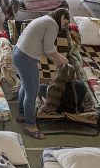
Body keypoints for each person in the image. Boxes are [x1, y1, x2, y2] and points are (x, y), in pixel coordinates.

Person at [12, 8, 69, 140]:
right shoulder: (53, 25)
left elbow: (45, 49)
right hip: (26, 57)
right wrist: (60, 58)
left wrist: (57, 60)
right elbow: (49, 49)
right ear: (62, 17)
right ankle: (30, 126)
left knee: (26, 87)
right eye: (66, 23)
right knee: (32, 92)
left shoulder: (44, 20)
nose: (65, 27)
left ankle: (22, 115)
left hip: (18, 53)